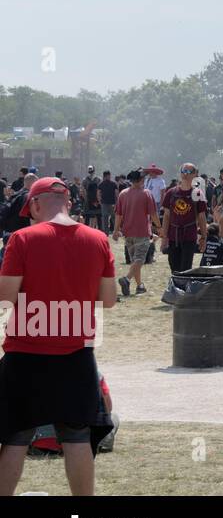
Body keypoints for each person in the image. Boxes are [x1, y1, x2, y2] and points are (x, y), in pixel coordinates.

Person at [0, 177, 117, 496]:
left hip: (25, 353)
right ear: (68, 202)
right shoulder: (98, 239)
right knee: (77, 438)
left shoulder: (22, 239)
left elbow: (6, 295)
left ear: (36, 205)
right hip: (76, 354)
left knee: (14, 438)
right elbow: (108, 299)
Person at [112, 169, 161, 297]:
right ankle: (126, 279)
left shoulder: (123, 194)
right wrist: (159, 227)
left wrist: (116, 230)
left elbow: (118, 214)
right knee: (140, 259)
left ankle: (140, 286)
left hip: (128, 232)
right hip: (142, 231)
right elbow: (153, 214)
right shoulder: (146, 193)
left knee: (135, 261)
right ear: (140, 180)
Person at [160, 163, 208, 273]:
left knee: (185, 269)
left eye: (188, 172)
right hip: (173, 236)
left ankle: (183, 288)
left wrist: (204, 238)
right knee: (174, 266)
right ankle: (176, 289)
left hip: (189, 236)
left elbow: (202, 217)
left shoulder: (198, 194)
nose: (185, 174)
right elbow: (166, 216)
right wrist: (164, 237)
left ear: (195, 174)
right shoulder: (171, 193)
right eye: (183, 171)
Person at [81, 166, 100, 232]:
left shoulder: (97, 179)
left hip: (94, 200)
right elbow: (83, 190)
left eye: (91, 170)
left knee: (97, 216)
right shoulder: (86, 179)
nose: (90, 172)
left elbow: (82, 191)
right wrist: (86, 199)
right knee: (88, 217)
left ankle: (94, 231)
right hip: (90, 201)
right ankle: (88, 231)